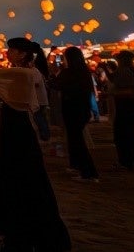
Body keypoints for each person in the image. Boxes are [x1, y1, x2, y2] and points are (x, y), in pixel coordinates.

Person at [0, 34, 71, 252]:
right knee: (29, 178)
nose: (7, 52)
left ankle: (21, 231)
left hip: (18, 130)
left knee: (17, 177)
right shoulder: (31, 72)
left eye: (11, 50)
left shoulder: (23, 74)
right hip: (20, 128)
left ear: (21, 53)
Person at [51, 46, 99, 182]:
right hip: (82, 109)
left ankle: (89, 173)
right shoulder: (84, 71)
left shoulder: (69, 72)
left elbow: (57, 85)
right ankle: (78, 166)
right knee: (75, 139)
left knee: (77, 141)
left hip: (72, 109)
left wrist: (54, 77)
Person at [110, 50, 134, 170]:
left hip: (125, 105)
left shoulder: (125, 71)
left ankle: (126, 161)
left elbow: (128, 90)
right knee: (129, 134)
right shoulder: (130, 71)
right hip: (129, 105)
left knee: (122, 134)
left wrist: (112, 93)